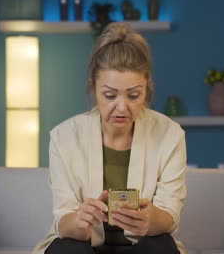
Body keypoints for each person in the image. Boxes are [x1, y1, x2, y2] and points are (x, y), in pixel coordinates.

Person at [33, 22, 187, 254]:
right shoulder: (63, 137)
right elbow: (62, 221)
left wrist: (152, 219)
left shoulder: (170, 135)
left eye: (134, 95)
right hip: (86, 244)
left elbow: (170, 217)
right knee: (67, 249)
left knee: (161, 246)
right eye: (109, 95)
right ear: (93, 88)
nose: (122, 108)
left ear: (148, 88)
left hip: (143, 246)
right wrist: (80, 221)